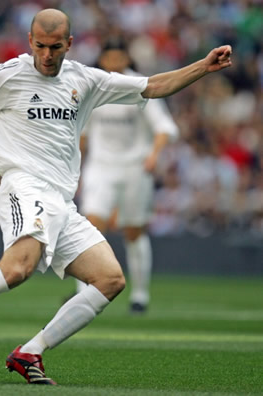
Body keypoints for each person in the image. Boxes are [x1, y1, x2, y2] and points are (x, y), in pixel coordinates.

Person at [0, 8, 232, 385]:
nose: (47, 55)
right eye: (41, 46)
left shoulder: (86, 80)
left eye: (56, 47)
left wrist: (202, 67)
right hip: (23, 186)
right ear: (30, 41)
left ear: (70, 44)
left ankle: (31, 351)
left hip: (62, 201)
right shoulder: (4, 76)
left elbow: (152, 86)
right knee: (17, 268)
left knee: (110, 280)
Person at [76, 39, 179, 314]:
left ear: (126, 59)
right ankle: (82, 293)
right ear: (103, 60)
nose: (114, 63)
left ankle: (140, 295)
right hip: (101, 166)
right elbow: (81, 132)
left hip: (135, 167)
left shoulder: (140, 86)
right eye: (109, 58)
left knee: (133, 231)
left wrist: (154, 155)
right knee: (91, 225)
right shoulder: (94, 86)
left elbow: (164, 127)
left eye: (119, 57)